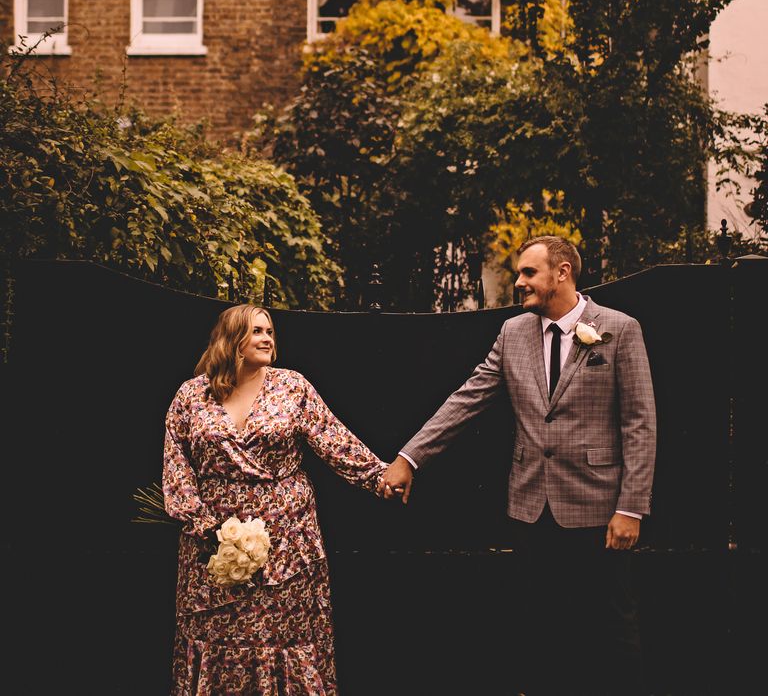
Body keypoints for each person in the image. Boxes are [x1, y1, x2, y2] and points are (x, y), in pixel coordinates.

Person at [380, 236, 656, 695]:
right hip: (530, 507)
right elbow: (467, 400)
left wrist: (631, 507)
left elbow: (639, 423)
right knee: (541, 626)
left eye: (529, 272)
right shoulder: (513, 333)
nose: (519, 282)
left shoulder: (619, 328)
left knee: (611, 626)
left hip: (598, 508)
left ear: (562, 273)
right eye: (518, 274)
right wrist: (410, 457)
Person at [163, 304, 389, 695]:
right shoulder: (191, 394)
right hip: (214, 543)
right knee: (218, 631)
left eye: (270, 331)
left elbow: (333, 440)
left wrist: (379, 476)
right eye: (257, 331)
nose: (268, 338)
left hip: (286, 538)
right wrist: (200, 523)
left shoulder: (292, 387)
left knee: (280, 635)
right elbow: (176, 462)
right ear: (232, 338)